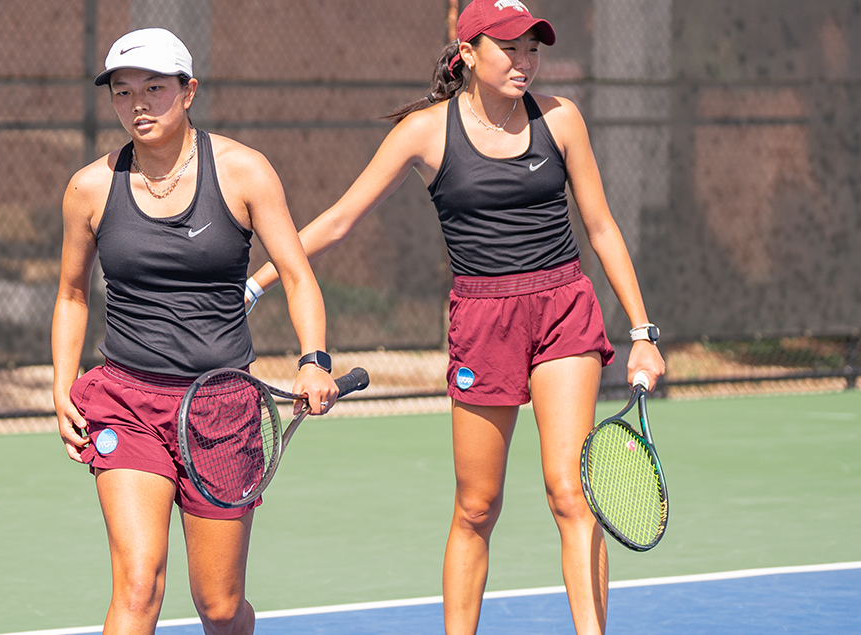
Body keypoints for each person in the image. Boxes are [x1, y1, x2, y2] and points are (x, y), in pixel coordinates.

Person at [245, 1, 667, 633]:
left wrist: (641, 332)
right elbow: (337, 221)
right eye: (510, 49)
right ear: (467, 52)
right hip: (483, 319)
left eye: (533, 49)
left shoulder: (562, 119)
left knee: (571, 493)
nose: (525, 62)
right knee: (476, 507)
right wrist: (255, 284)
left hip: (563, 308)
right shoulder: (424, 132)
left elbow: (602, 228)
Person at [52, 27, 338, 635]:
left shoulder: (244, 172)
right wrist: (61, 387)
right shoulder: (90, 187)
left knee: (218, 604)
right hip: (125, 402)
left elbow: (296, 276)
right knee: (137, 585)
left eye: (154, 89)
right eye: (123, 91)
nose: (137, 105)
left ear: (188, 92)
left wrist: (315, 359)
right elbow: (71, 295)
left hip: (222, 406)